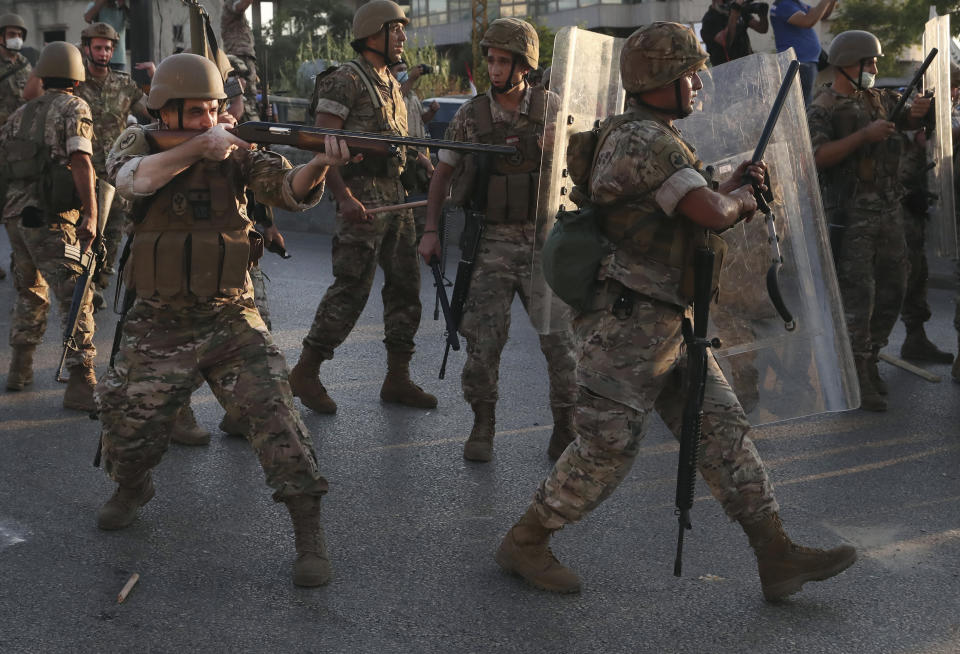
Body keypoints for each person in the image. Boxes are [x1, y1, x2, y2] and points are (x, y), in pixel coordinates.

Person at [494, 23, 857, 599]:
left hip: (668, 325)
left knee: (724, 436)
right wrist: (738, 199)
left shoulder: (653, 137)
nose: (695, 83)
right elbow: (710, 212)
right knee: (605, 450)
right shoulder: (644, 139)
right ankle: (526, 541)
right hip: (627, 327)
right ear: (658, 78)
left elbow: (685, 200)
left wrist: (728, 185)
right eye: (686, 72)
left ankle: (776, 554)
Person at [95, 53, 351, 587]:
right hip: (158, 321)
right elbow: (131, 183)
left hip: (230, 316)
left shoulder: (238, 152)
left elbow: (287, 189)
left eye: (214, 110)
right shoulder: (139, 141)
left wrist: (320, 164)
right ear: (164, 111)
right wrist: (196, 149)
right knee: (127, 433)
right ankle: (132, 484)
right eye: (196, 113)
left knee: (278, 419)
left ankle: (308, 532)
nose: (210, 121)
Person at [418, 18, 578, 462]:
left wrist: (560, 146)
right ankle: (483, 424)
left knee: (561, 343)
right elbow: (442, 175)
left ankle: (566, 426)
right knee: (482, 341)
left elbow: (582, 170)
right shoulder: (471, 116)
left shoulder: (550, 107)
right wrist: (431, 230)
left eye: (503, 60)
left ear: (524, 65)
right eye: (490, 59)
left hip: (545, 241)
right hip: (489, 242)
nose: (493, 67)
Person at [289, 0, 436, 415]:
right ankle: (307, 369)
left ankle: (397, 377)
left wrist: (421, 160)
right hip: (361, 195)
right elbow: (323, 144)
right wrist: (344, 197)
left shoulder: (391, 80)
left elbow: (396, 138)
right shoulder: (345, 80)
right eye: (397, 30)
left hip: (394, 197)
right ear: (374, 34)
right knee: (351, 288)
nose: (403, 37)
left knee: (406, 285)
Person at [807, 30, 933, 411]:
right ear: (849, 64)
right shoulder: (824, 107)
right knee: (858, 298)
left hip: (889, 212)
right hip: (851, 216)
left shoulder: (879, 99)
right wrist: (864, 135)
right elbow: (816, 156)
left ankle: (873, 356)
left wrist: (920, 110)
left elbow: (907, 119)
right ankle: (856, 372)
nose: (876, 69)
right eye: (870, 62)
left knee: (894, 287)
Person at [0, 42, 99, 411]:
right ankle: (81, 380)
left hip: (16, 219)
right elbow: (80, 161)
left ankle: (20, 369)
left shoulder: (20, 114)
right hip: (53, 220)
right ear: (77, 74)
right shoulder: (75, 106)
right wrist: (91, 213)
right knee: (75, 295)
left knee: (30, 292)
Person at [76, 22, 151, 311]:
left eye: (108, 48)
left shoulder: (124, 84)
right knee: (82, 231)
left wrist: (158, 79)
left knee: (113, 232)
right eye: (98, 47)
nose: (104, 53)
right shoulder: (75, 82)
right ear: (87, 49)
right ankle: (83, 283)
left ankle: (98, 280)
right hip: (81, 172)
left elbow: (150, 110)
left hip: (113, 174)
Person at [897, 128, 953, 364]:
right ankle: (863, 355)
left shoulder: (939, 100)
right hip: (896, 201)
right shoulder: (902, 100)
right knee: (896, 277)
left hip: (916, 200)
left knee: (918, 271)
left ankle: (915, 338)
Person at [0, 13, 35, 282]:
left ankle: (18, 259)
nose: (17, 39)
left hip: (19, 147)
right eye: (12, 33)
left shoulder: (26, 65)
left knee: (18, 203)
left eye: (20, 34)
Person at [389, 59, 437, 238]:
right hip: (407, 156)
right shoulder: (393, 92)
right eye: (399, 69)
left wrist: (431, 113)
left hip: (421, 153)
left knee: (422, 200)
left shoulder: (412, 95)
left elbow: (418, 121)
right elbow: (396, 99)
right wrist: (411, 79)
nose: (403, 72)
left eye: (404, 69)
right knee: (408, 201)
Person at [769, 0, 837, 104]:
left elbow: (822, 15)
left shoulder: (797, 4)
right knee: (802, 104)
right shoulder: (783, 4)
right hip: (798, 63)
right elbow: (808, 21)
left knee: (804, 102)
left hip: (806, 62)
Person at [220, 0, 259, 123]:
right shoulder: (229, 6)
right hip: (238, 59)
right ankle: (245, 127)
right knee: (244, 97)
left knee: (249, 97)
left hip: (243, 58)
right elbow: (239, 6)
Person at [700, 0, 769, 67]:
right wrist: (735, 12)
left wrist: (763, 14)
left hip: (748, 65)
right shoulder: (709, 19)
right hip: (726, 71)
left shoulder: (736, 11)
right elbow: (726, 41)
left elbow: (762, 29)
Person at [83, 0, 128, 71]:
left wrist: (123, 5)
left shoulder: (123, 6)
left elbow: (135, 21)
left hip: (118, 58)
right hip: (98, 56)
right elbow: (88, 17)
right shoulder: (96, 4)